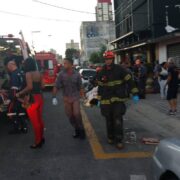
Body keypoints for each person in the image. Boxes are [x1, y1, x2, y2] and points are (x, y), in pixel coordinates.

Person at [97, 51, 139, 150]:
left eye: (110, 59)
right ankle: (110, 137)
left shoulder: (120, 69)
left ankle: (119, 140)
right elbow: (100, 87)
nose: (108, 61)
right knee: (109, 120)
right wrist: (98, 99)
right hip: (106, 100)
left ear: (113, 59)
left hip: (118, 99)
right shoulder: (101, 71)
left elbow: (130, 81)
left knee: (117, 120)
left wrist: (135, 94)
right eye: (106, 59)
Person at [52, 58, 86, 139]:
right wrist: (54, 97)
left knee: (77, 114)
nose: (64, 65)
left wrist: (83, 96)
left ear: (71, 64)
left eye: (66, 63)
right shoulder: (61, 74)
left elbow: (80, 87)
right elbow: (56, 86)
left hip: (75, 97)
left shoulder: (77, 74)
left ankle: (81, 130)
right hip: (66, 98)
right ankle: (76, 129)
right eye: (64, 63)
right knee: (70, 116)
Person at [16, 58, 45, 149]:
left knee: (35, 122)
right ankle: (41, 138)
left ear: (27, 65)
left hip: (32, 99)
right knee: (40, 120)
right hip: (40, 97)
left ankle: (37, 142)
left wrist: (19, 93)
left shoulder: (28, 74)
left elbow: (29, 87)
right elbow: (43, 86)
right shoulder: (39, 73)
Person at [4, 57, 28, 134]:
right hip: (22, 97)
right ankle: (24, 127)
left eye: (8, 66)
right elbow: (23, 85)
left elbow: (14, 88)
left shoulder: (14, 74)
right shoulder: (21, 72)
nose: (8, 68)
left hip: (16, 98)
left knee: (11, 112)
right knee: (21, 112)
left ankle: (16, 128)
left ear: (11, 65)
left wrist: (11, 99)